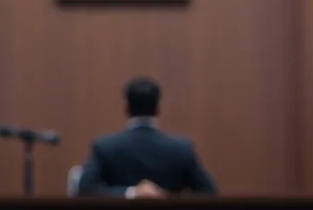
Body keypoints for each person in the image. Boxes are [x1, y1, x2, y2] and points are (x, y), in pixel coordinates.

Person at [76, 77, 218, 198]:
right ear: (157, 109)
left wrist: (131, 193)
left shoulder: (104, 146)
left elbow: (85, 189)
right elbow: (209, 192)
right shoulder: (181, 148)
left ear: (127, 108)